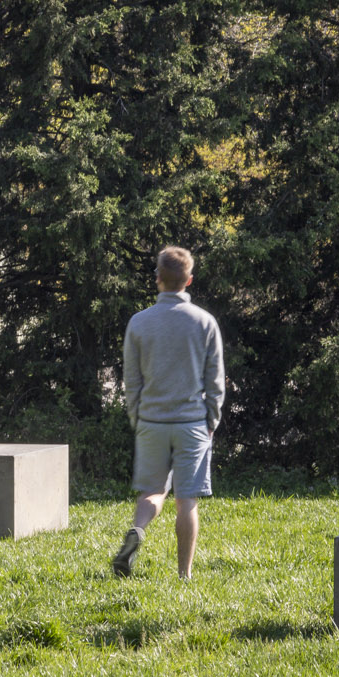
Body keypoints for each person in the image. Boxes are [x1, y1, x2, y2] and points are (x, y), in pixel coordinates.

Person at [113, 247, 224, 579]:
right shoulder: (205, 322)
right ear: (189, 280)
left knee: (151, 492)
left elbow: (131, 380)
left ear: (158, 279)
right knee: (187, 500)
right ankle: (184, 575)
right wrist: (211, 421)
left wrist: (137, 416)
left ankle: (138, 529)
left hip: (152, 422)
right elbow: (215, 380)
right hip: (192, 424)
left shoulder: (139, 322)